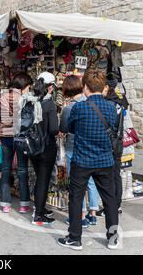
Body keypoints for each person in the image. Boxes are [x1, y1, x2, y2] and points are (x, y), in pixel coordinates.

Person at [57, 70, 119, 251]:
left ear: (85, 88)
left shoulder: (78, 108)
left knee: (75, 198)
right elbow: (113, 129)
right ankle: (113, 237)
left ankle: (75, 238)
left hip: (82, 160)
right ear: (104, 88)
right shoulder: (111, 108)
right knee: (110, 199)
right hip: (105, 160)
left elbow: (71, 128)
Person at [60, 75, 98, 227]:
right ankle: (93, 213)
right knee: (90, 180)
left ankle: (81, 216)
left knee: (76, 182)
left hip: (73, 148)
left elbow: (63, 128)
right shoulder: (91, 103)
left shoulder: (70, 108)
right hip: (89, 147)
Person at [26, 72, 59, 225]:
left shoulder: (30, 101)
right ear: (50, 87)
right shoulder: (49, 105)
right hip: (46, 147)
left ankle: (40, 208)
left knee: (40, 179)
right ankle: (38, 215)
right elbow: (53, 129)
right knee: (43, 181)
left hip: (32, 146)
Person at [0, 72, 33, 213]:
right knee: (22, 169)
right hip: (20, 136)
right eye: (28, 87)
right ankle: (24, 204)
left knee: (6, 169)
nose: (29, 89)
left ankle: (5, 203)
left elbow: (3, 118)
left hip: (5, 136)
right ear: (24, 85)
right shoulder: (25, 98)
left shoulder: (3, 97)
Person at [96, 73, 126, 217]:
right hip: (119, 142)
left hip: (111, 142)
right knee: (116, 175)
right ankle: (117, 204)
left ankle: (111, 206)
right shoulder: (120, 102)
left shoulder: (108, 104)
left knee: (109, 176)